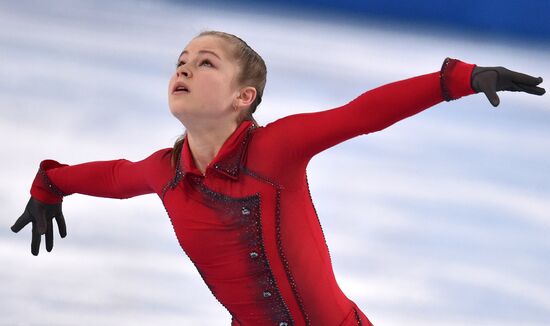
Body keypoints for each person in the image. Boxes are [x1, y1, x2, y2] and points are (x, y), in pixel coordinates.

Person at [11, 30, 545, 326]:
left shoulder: (275, 150)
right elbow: (108, 175)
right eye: (181, 61)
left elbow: (361, 113)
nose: (184, 69)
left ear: (244, 99)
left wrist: (459, 79)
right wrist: (48, 185)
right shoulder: (165, 172)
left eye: (206, 64)